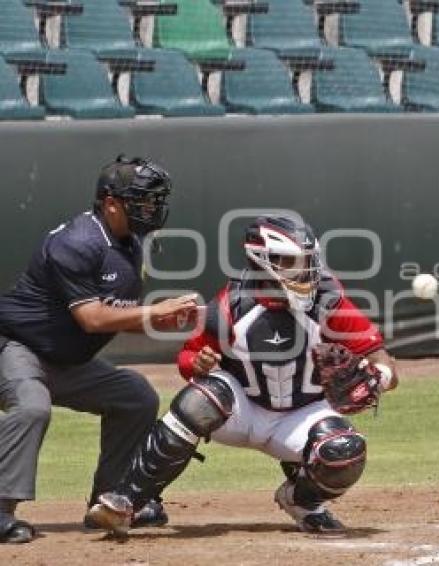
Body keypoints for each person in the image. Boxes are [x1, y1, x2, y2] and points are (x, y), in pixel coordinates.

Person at [85, 213, 398, 536]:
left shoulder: (331, 303)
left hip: (301, 415)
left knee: (345, 450)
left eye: (308, 261)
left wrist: (380, 377)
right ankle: (129, 501)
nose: (306, 271)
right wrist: (199, 363)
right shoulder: (229, 306)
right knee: (200, 400)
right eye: (293, 262)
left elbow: (384, 362)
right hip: (243, 410)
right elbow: (187, 358)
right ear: (264, 261)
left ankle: (303, 502)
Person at [0, 156, 198, 544]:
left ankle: (111, 503)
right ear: (110, 203)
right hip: (13, 345)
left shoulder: (131, 241)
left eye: (154, 200)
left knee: (135, 396)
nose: (152, 209)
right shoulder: (76, 242)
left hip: (62, 358)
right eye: (142, 201)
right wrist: (154, 311)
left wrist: (157, 319)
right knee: (32, 406)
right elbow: (91, 318)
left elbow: (118, 313)